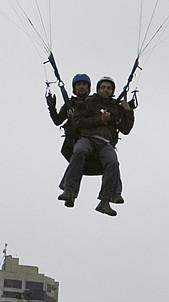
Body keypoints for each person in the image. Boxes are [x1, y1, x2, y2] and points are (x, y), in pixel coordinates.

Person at [47, 73, 135, 214]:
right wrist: (100, 120)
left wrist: (128, 111)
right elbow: (78, 121)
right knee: (79, 151)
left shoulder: (116, 108)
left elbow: (126, 129)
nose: (105, 90)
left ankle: (105, 201)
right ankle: (70, 191)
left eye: (108, 88)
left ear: (112, 92)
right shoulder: (88, 102)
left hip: (105, 143)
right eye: (103, 87)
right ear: (97, 89)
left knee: (113, 162)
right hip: (87, 138)